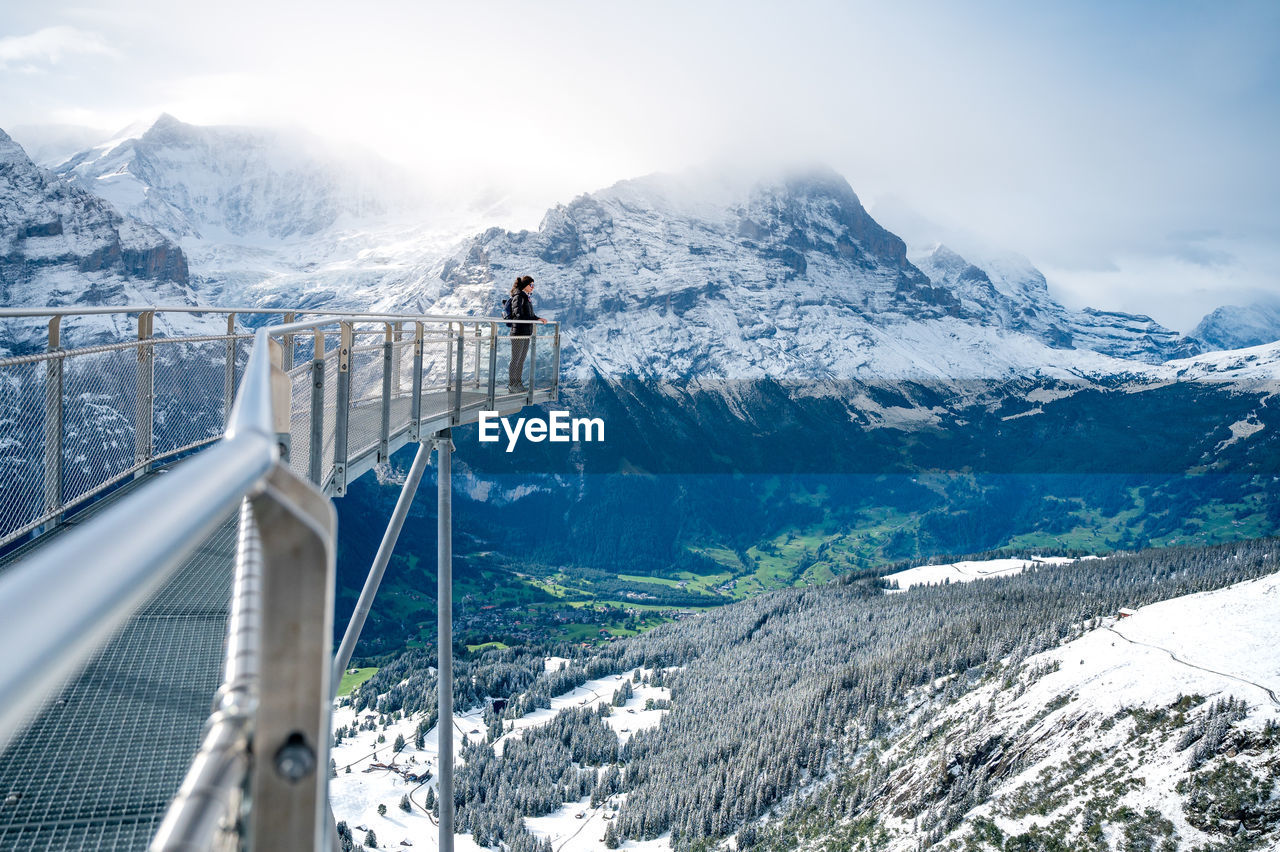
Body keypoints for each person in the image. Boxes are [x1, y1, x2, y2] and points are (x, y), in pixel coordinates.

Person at [508, 274, 546, 391]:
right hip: (518, 332)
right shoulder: (518, 296)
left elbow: (530, 315)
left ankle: (518, 383)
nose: (533, 287)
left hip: (525, 332)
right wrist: (532, 319)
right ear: (525, 285)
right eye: (531, 285)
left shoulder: (526, 297)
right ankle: (512, 384)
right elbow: (518, 314)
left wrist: (538, 318)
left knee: (521, 359)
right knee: (516, 359)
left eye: (533, 285)